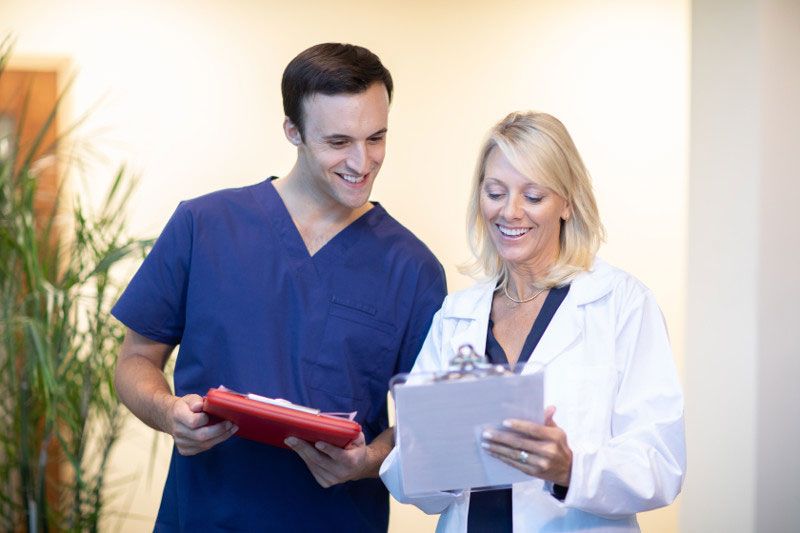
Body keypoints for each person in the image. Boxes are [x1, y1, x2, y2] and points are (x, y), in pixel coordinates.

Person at [112, 43, 446, 532]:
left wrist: (369, 459)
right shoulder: (203, 225)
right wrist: (168, 413)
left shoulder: (412, 269)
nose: (363, 161)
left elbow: (427, 421)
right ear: (293, 131)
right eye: (338, 141)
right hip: (204, 518)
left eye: (376, 138)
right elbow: (135, 360)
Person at [380, 111, 685, 532]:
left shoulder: (621, 304)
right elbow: (402, 475)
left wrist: (569, 469)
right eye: (495, 192)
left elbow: (660, 463)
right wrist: (437, 455)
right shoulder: (457, 315)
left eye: (534, 196)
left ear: (568, 202)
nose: (510, 212)